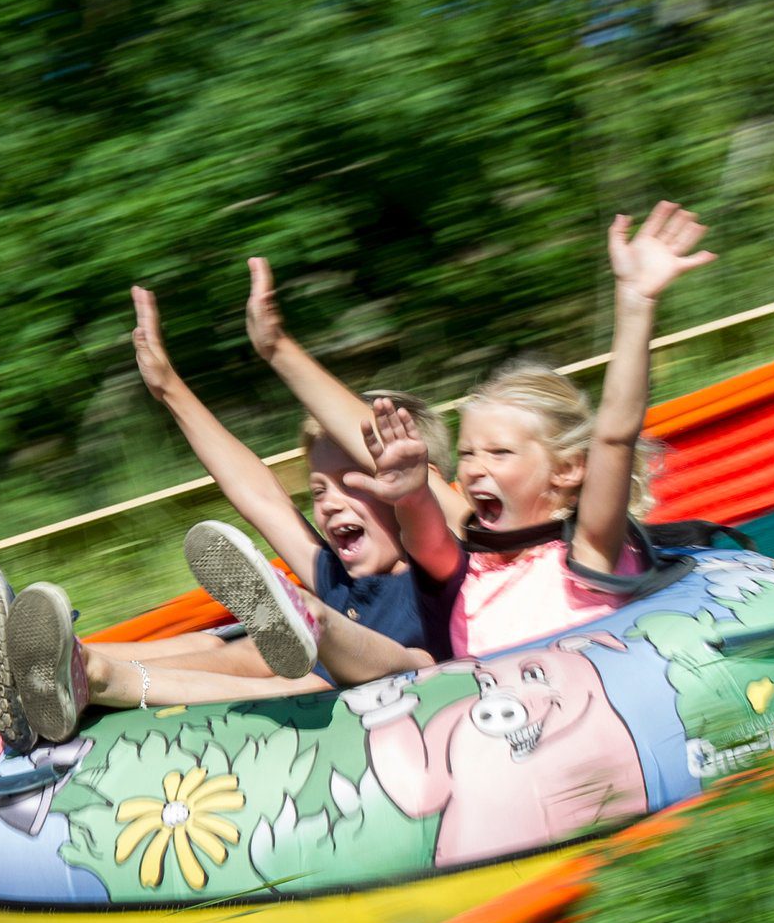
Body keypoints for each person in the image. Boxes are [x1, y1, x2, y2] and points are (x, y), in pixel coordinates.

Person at [0, 270, 455, 752]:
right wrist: (167, 387)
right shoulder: (335, 574)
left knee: (297, 676)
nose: (327, 501)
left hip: (366, 723)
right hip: (299, 680)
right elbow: (257, 492)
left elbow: (416, 489)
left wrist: (278, 347)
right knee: (222, 646)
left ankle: (88, 676)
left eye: (354, 478)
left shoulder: (445, 573)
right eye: (318, 488)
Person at [206, 201, 715, 678]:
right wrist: (409, 493)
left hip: (582, 717)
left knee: (407, 658)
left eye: (499, 452)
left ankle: (309, 618)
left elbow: (613, 436)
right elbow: (424, 530)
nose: (473, 467)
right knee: (414, 657)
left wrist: (636, 301)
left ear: (567, 470)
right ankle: (306, 618)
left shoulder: (588, 552)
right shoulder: (466, 566)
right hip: (480, 731)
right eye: (468, 452)